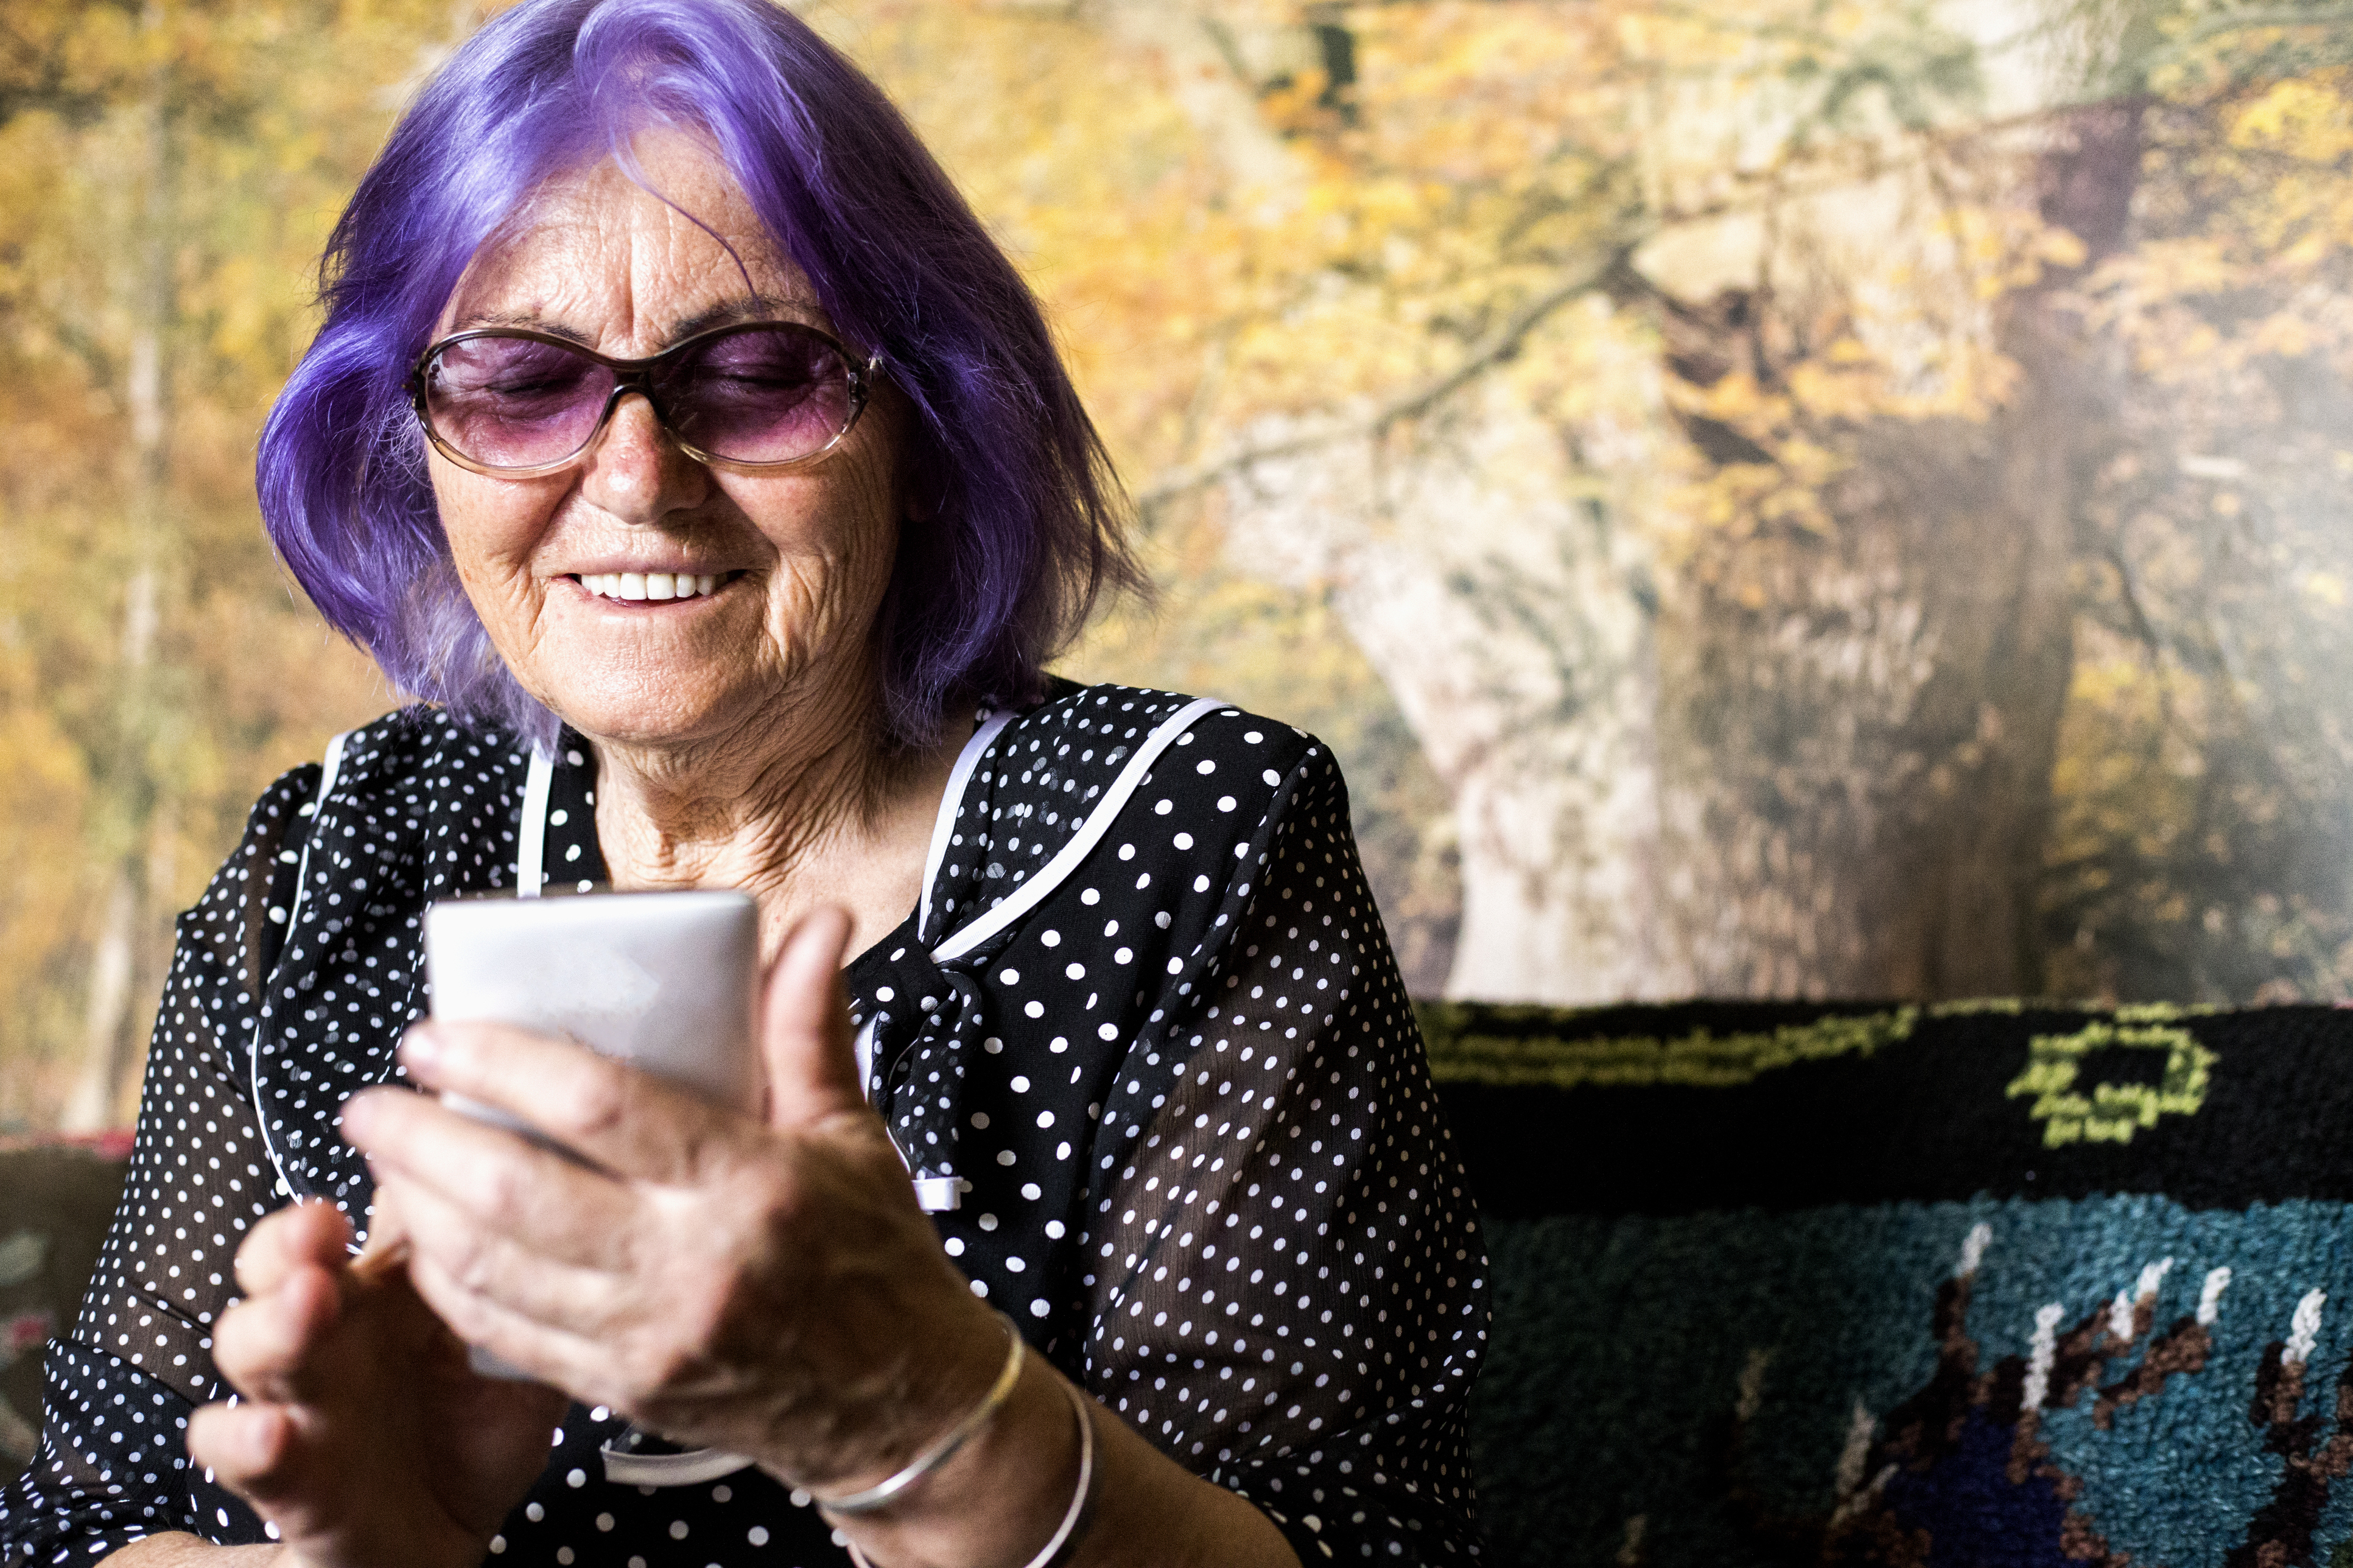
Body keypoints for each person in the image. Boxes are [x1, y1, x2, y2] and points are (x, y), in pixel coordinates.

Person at [0, 0, 1490, 1563]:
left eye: (762, 374)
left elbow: (1363, 1547)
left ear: (924, 432)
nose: (636, 474)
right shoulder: (342, 858)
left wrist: (917, 1415)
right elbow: (82, 1525)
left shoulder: (1187, 841)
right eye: (521, 382)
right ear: (416, 444)